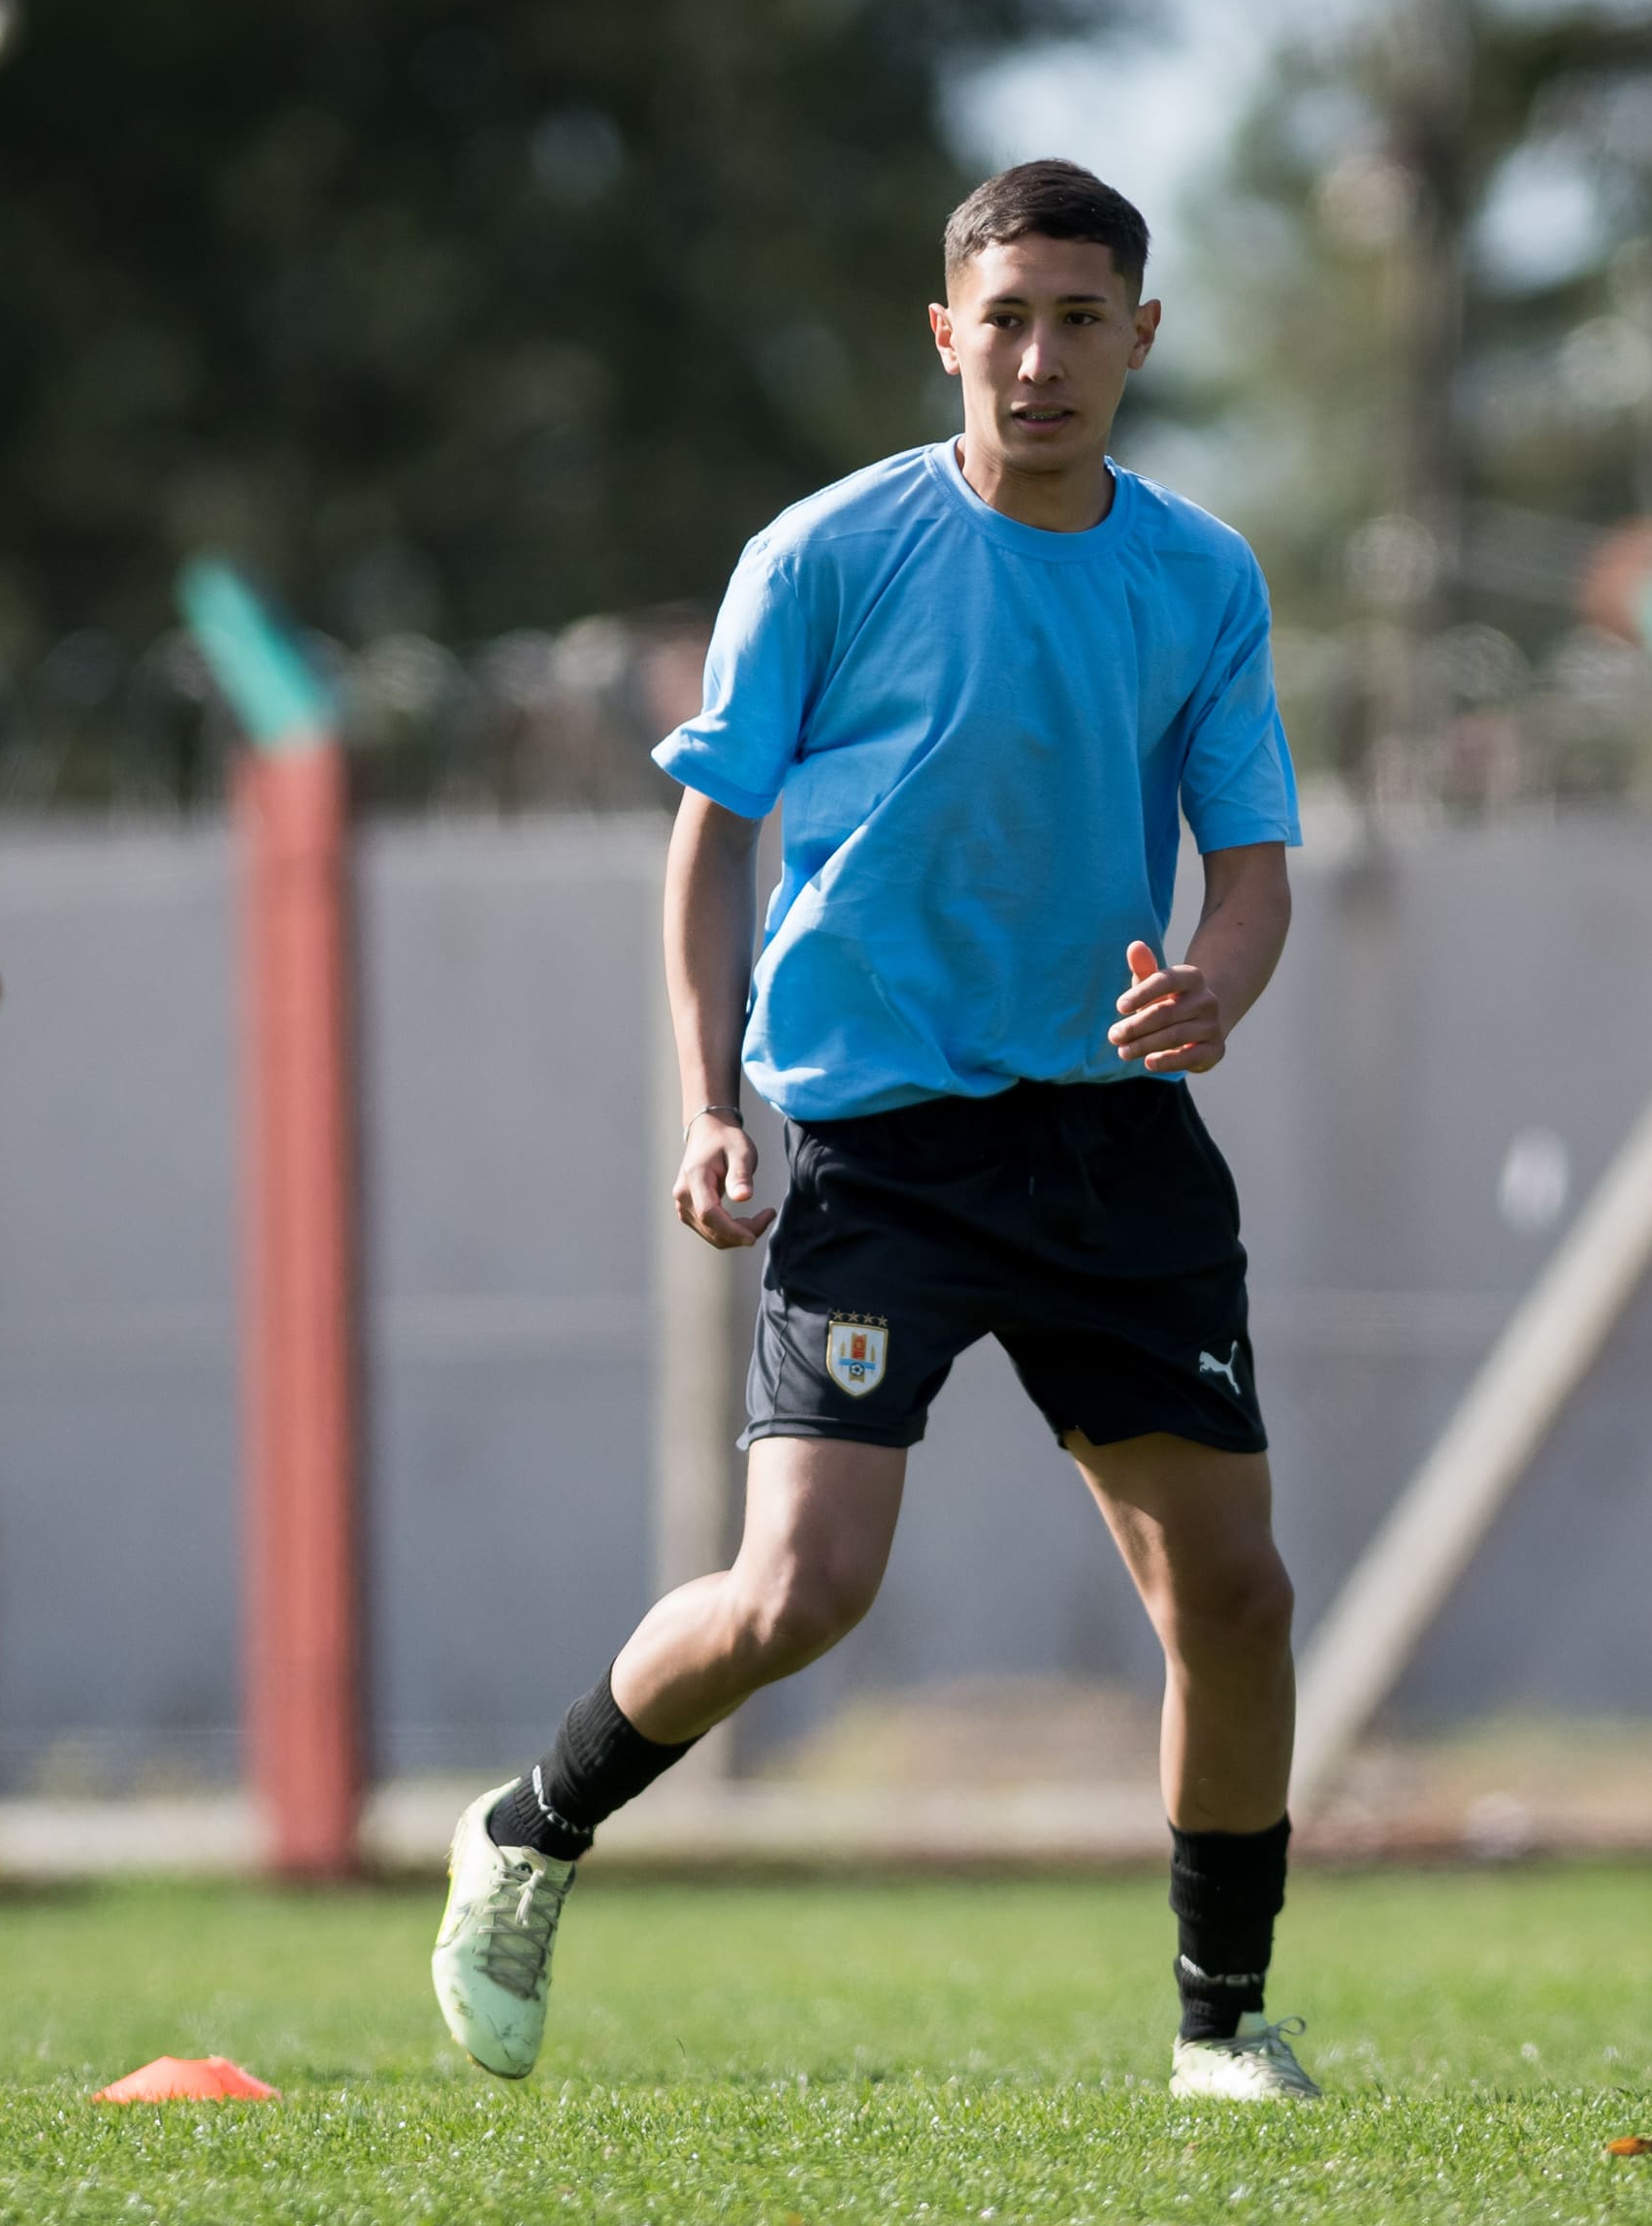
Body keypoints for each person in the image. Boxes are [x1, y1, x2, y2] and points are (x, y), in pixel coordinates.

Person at [428, 160, 1315, 2102]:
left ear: (1139, 337)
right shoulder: (828, 551)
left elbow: (1250, 866)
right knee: (797, 1591)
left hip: (1110, 1143)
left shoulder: (1199, 575)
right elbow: (709, 834)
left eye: (1081, 318)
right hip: (887, 1148)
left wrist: (1215, 985)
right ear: (945, 334)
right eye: (1004, 317)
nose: (1040, 356)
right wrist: (707, 1095)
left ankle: (1218, 2023)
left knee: (1232, 1597)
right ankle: (527, 1827)